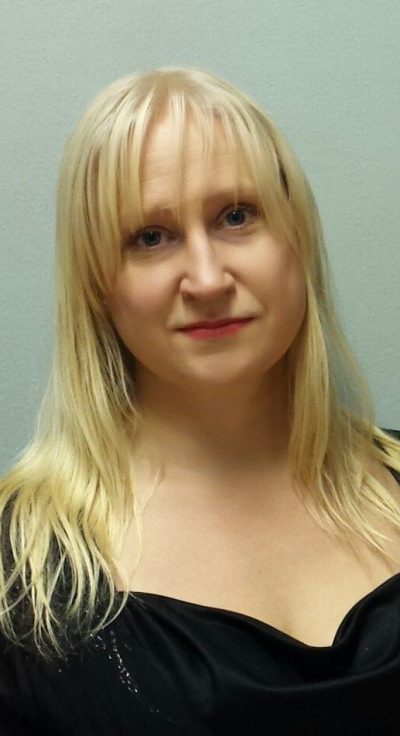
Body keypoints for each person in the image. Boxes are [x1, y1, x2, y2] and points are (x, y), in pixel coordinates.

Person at [0, 66, 399, 735]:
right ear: (98, 283)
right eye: (150, 237)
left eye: (236, 217)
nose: (208, 280)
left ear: (298, 239)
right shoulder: (20, 572)